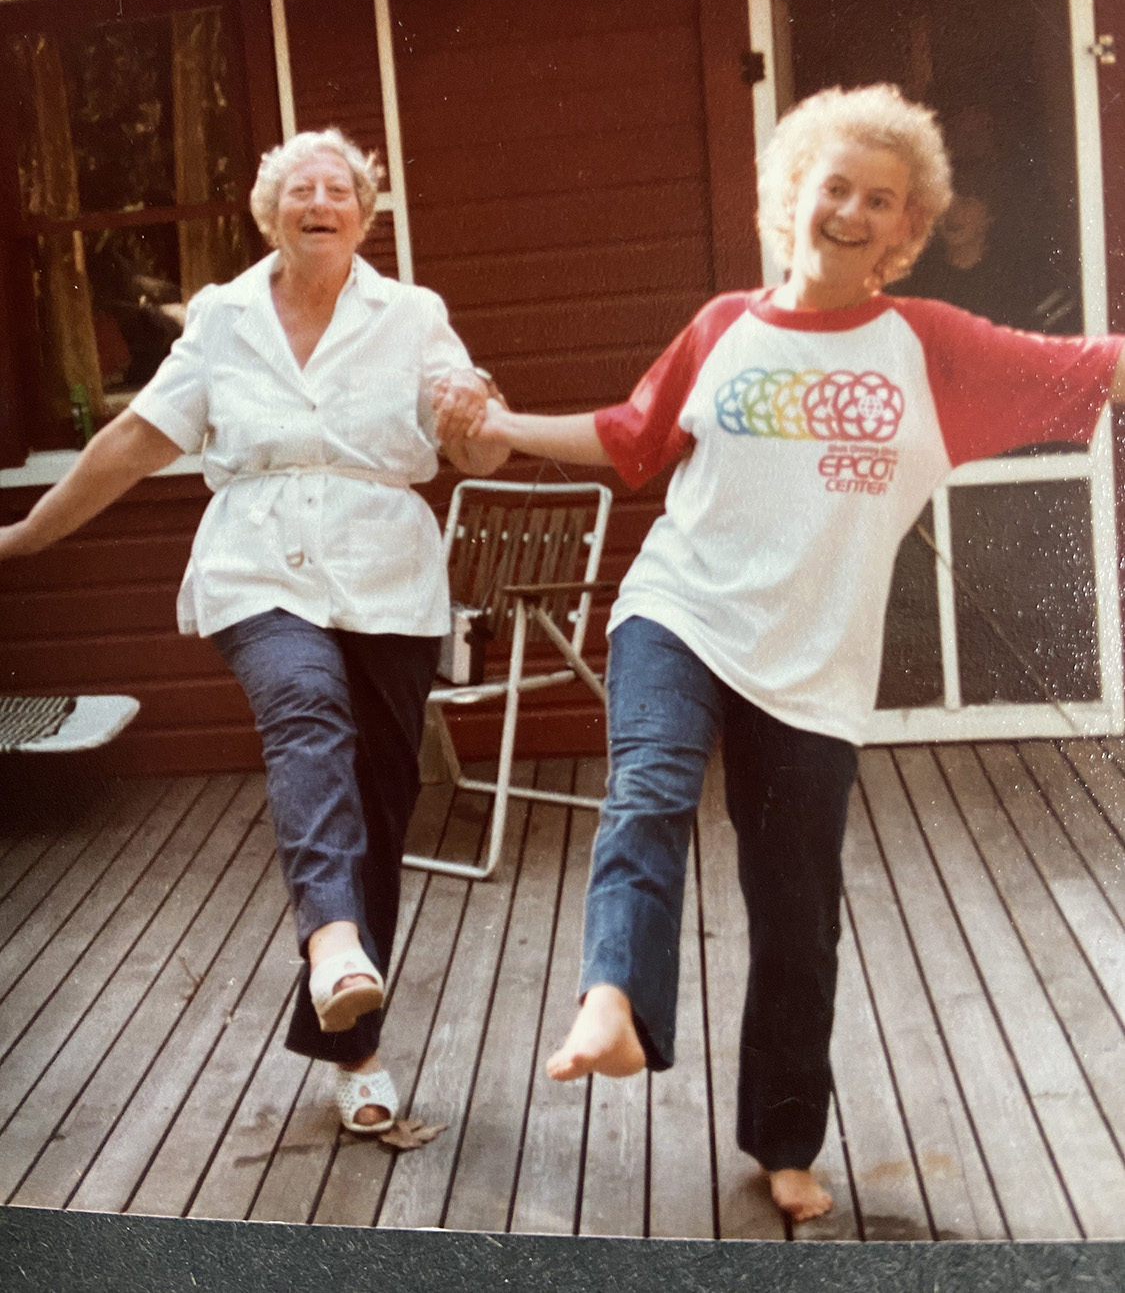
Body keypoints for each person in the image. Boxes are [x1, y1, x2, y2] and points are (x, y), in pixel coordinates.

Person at [469, 83, 1125, 1221]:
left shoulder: (931, 346)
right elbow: (633, 438)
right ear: (790, 198)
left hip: (815, 665)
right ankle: (614, 996)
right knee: (648, 790)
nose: (855, 212)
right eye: (836, 188)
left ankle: (782, 1139)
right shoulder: (726, 327)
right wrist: (505, 428)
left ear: (909, 231)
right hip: (681, 610)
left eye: (884, 200)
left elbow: (1094, 363)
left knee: (797, 907)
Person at [0, 128, 508, 1135]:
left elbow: (476, 439)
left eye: (340, 190)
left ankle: (352, 1049)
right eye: (299, 189)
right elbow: (135, 439)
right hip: (258, 565)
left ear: (365, 216)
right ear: (269, 212)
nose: (320, 201)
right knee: (305, 707)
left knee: (379, 797)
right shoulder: (226, 317)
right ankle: (330, 942)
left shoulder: (412, 315)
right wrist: (22, 536)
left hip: (387, 580)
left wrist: (476, 415)